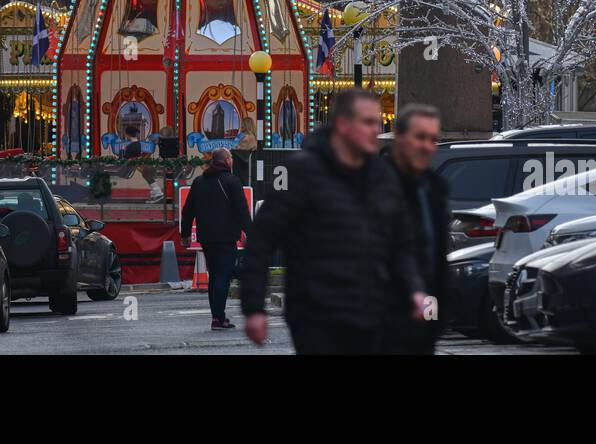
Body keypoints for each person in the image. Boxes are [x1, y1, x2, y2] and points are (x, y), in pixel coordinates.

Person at [239, 89, 426, 354]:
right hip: (317, 314)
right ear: (343, 125)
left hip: (371, 312)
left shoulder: (382, 177)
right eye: (368, 122)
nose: (377, 129)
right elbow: (263, 239)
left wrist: (415, 291)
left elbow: (402, 243)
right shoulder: (304, 172)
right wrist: (254, 308)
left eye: (379, 122)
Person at [385, 104, 450, 354]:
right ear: (399, 137)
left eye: (433, 139)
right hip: (385, 314)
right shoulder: (376, 185)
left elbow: (435, 257)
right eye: (419, 137)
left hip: (425, 311)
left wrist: (435, 316)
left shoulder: (434, 188)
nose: (427, 146)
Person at [180, 148, 251, 330]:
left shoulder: (198, 182)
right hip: (226, 237)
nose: (232, 161)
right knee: (223, 275)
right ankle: (219, 318)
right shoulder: (232, 181)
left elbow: (188, 210)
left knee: (214, 276)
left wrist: (185, 234)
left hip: (206, 237)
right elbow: (242, 211)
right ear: (226, 160)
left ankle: (216, 317)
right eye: (231, 158)